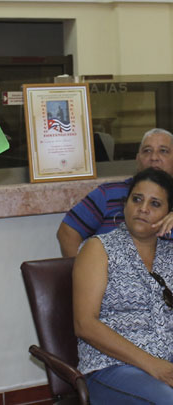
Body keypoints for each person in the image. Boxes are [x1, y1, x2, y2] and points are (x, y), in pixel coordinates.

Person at [73, 167, 173, 403]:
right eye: (137, 199)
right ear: (125, 204)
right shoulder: (98, 248)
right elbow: (84, 324)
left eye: (155, 204)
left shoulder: (170, 252)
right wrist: (154, 366)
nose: (143, 208)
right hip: (113, 368)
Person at [57, 128, 173, 257]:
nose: (154, 158)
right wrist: (83, 271)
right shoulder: (108, 193)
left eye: (163, 151)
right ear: (137, 159)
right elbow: (68, 232)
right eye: (147, 151)